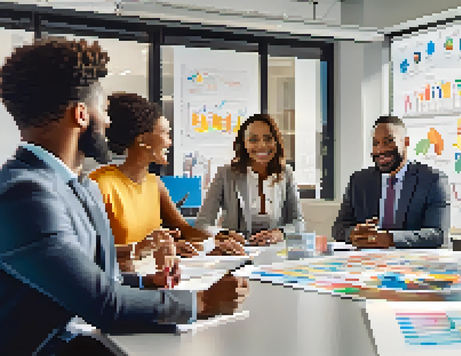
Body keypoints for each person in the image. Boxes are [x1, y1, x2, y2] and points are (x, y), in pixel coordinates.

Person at [0, 37, 248, 355]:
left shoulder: (79, 186)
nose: (109, 121)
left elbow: (101, 280)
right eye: (104, 111)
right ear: (80, 115)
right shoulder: (24, 193)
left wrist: (149, 284)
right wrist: (202, 301)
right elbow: (104, 305)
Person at [89, 93, 244, 271]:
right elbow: (92, 250)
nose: (170, 142)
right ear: (143, 139)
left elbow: (184, 230)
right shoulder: (100, 184)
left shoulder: (154, 184)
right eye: (165, 133)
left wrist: (219, 238)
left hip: (157, 278)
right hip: (123, 283)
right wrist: (149, 250)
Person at [332, 116, 450, 249]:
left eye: (388, 141)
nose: (380, 150)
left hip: (413, 263)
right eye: (375, 143)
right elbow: (339, 228)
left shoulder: (432, 180)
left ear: (406, 142)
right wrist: (353, 234)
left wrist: (390, 238)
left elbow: (437, 234)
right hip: (368, 262)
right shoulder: (359, 181)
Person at [195, 114, 303, 246]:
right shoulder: (226, 174)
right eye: (253, 140)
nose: (262, 145)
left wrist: (280, 233)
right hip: (236, 252)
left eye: (268, 139)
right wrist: (223, 234)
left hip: (275, 253)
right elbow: (202, 224)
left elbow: (298, 223)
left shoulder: (286, 173)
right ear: (243, 144)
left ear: (276, 142)